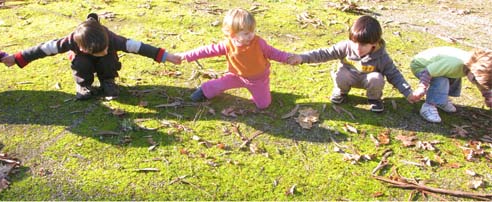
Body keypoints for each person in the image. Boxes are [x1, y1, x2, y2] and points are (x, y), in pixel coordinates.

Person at [2, 13, 181, 100]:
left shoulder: (114, 40)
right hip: (82, 61)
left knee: (108, 59)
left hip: (108, 63)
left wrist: (167, 56)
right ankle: (84, 86)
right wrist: (17, 58)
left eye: (104, 48)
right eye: (98, 50)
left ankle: (108, 82)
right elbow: (42, 49)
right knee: (81, 62)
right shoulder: (69, 42)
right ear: (81, 45)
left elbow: (141, 47)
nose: (102, 51)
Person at [288, 15, 419, 112]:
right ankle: (341, 92)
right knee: (341, 74)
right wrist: (302, 57)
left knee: (376, 78)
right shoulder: (345, 47)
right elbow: (323, 53)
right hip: (348, 76)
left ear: (374, 43)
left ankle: (374, 99)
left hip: (367, 80)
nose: (357, 47)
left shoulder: (382, 57)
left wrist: (408, 92)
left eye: (363, 44)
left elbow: (394, 74)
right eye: (354, 42)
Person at [179, 8, 297, 109]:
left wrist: (288, 58)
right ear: (232, 34)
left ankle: (261, 91)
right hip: (236, 76)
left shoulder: (259, 43)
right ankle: (204, 90)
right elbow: (207, 50)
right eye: (246, 33)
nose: (251, 35)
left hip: (258, 79)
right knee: (219, 84)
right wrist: (187, 55)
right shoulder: (227, 45)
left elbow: (273, 52)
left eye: (253, 31)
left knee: (263, 105)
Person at [410, 47, 492, 123]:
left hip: (438, 68)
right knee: (441, 81)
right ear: (473, 70)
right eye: (475, 80)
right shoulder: (454, 64)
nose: (475, 83)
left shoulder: (470, 66)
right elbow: (428, 72)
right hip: (420, 66)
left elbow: (481, 82)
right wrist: (422, 87)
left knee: (454, 77)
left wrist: (488, 96)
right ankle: (428, 106)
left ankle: (441, 100)